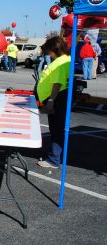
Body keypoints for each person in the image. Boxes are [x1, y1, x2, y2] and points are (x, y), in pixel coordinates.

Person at [36, 36, 70, 169]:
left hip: (57, 98)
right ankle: (54, 156)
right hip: (59, 98)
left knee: (56, 128)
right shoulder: (66, 59)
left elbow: (57, 83)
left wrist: (50, 101)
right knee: (57, 128)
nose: (49, 53)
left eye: (50, 50)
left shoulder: (60, 62)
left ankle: (53, 160)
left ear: (54, 49)